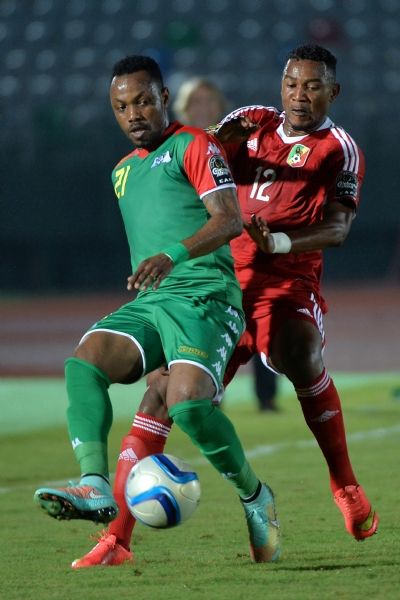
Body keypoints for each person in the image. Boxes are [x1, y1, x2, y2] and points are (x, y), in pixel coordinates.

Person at [70, 44, 379, 569]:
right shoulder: (252, 121)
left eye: (312, 86)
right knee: (162, 397)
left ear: (334, 91)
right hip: (221, 279)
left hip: (285, 281)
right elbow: (205, 157)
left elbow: (339, 227)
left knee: (300, 352)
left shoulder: (339, 149)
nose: (299, 96)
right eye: (291, 84)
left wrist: (278, 242)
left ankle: (345, 485)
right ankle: (117, 538)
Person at [33, 55, 281, 566]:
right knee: (84, 361)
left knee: (187, 406)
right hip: (152, 303)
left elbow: (229, 220)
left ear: (164, 98)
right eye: (122, 106)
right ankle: (93, 483)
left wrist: (172, 255)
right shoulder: (121, 172)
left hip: (206, 298)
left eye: (143, 101)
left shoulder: (194, 144)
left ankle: (256, 496)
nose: (134, 114)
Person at [173, 76, 280, 412]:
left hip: (242, 245)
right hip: (198, 251)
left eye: (210, 101)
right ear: (183, 109)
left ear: (221, 107)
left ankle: (266, 397)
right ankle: (208, 396)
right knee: (207, 325)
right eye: (196, 102)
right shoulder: (175, 147)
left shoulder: (237, 144)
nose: (204, 107)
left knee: (259, 317)